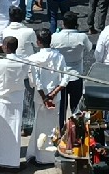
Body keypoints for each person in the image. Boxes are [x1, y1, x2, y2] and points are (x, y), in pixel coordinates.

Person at [26, 29, 68, 165]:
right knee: (53, 126)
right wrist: (53, 94)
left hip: (40, 99)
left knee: (39, 126)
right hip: (55, 97)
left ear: (38, 42)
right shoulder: (59, 57)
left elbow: (35, 81)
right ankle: (51, 155)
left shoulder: (33, 58)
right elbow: (65, 77)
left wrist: (44, 97)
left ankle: (40, 156)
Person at [0, 36, 29, 170]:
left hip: (1, 100)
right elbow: (27, 78)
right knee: (14, 129)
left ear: (5, 47)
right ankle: (12, 162)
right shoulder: (23, 62)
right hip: (16, 100)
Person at [51, 11, 92, 128]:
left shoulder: (55, 37)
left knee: (61, 109)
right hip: (76, 76)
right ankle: (76, 132)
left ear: (63, 23)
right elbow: (89, 48)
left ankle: (61, 131)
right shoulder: (82, 37)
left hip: (61, 77)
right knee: (76, 108)